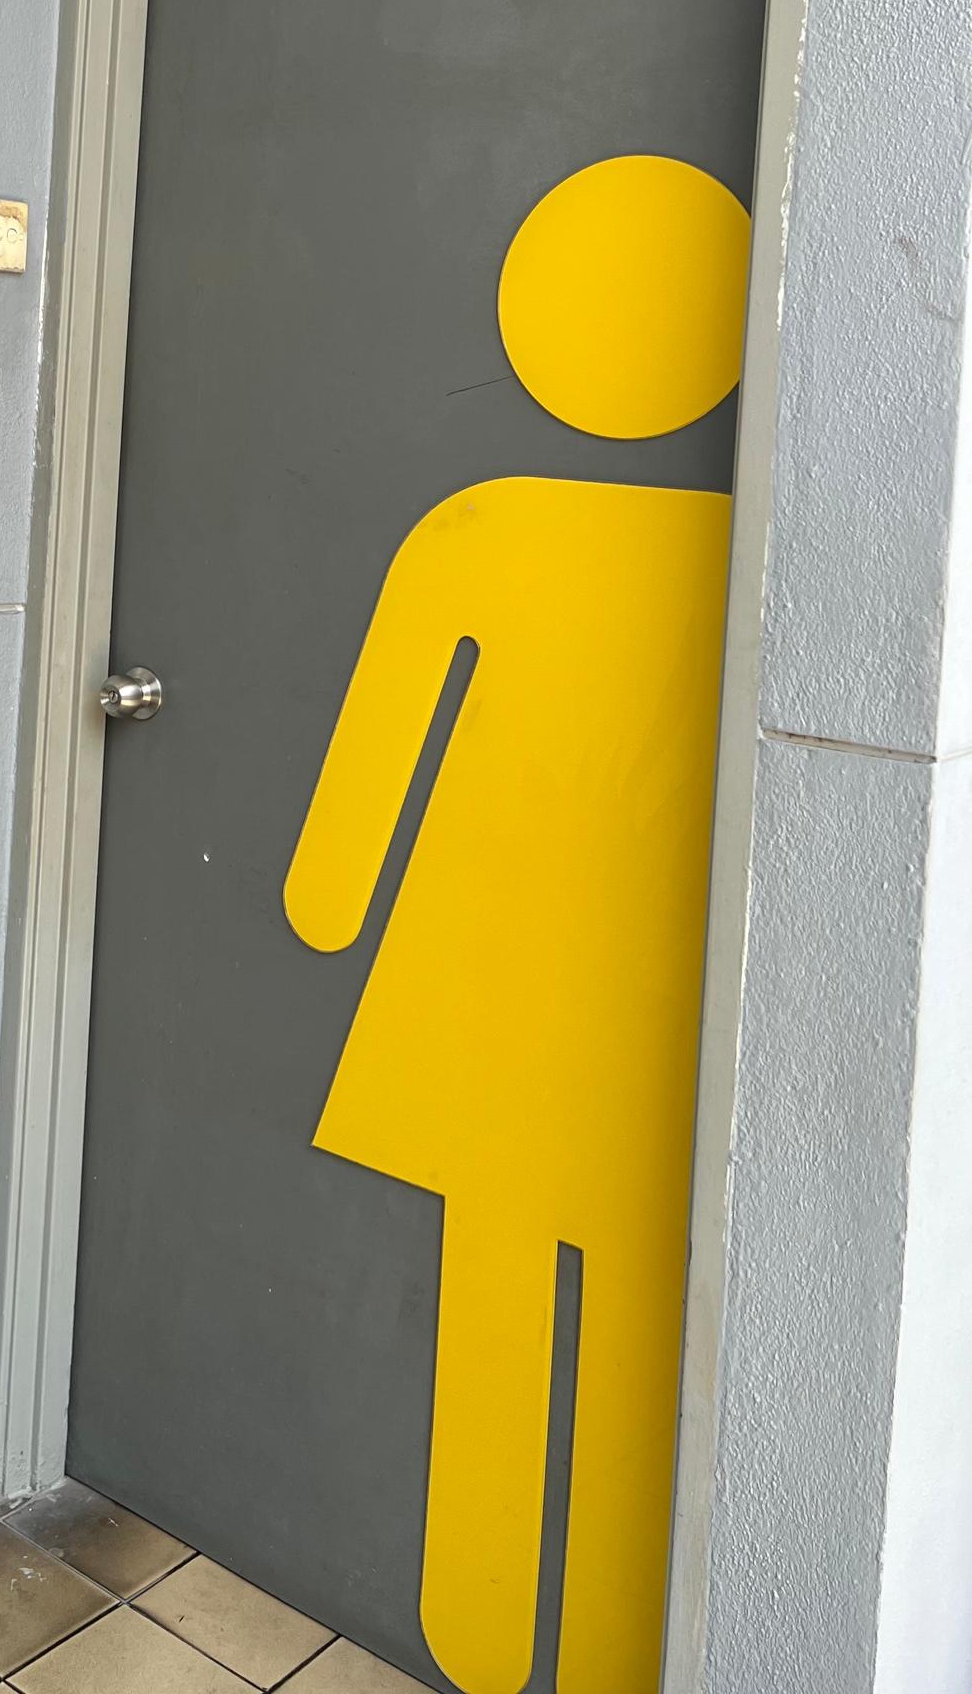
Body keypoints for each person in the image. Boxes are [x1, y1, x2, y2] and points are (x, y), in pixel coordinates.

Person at [284, 154, 752, 1694]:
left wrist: (329, 906)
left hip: (471, 977)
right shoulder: (735, 543)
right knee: (624, 1289)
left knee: (495, 1282)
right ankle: (601, 1641)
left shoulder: (477, 526)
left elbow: (356, 805)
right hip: (637, 995)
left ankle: (478, 1626)